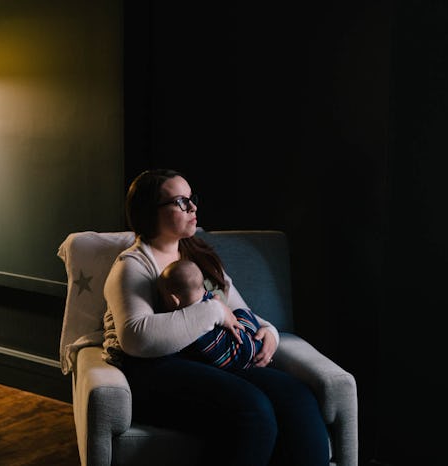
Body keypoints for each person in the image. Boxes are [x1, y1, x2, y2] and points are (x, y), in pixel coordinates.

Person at [101, 168, 330, 466]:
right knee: (254, 411)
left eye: (191, 199)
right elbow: (135, 337)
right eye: (181, 202)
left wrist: (269, 331)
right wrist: (212, 311)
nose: (193, 208)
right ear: (149, 212)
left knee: (297, 397)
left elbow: (238, 309)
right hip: (159, 368)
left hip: (214, 357)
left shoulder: (199, 256)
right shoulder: (132, 265)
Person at [156, 258, 263, 370]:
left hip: (235, 362)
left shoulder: (188, 326)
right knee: (241, 312)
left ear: (174, 300)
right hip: (251, 348)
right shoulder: (211, 297)